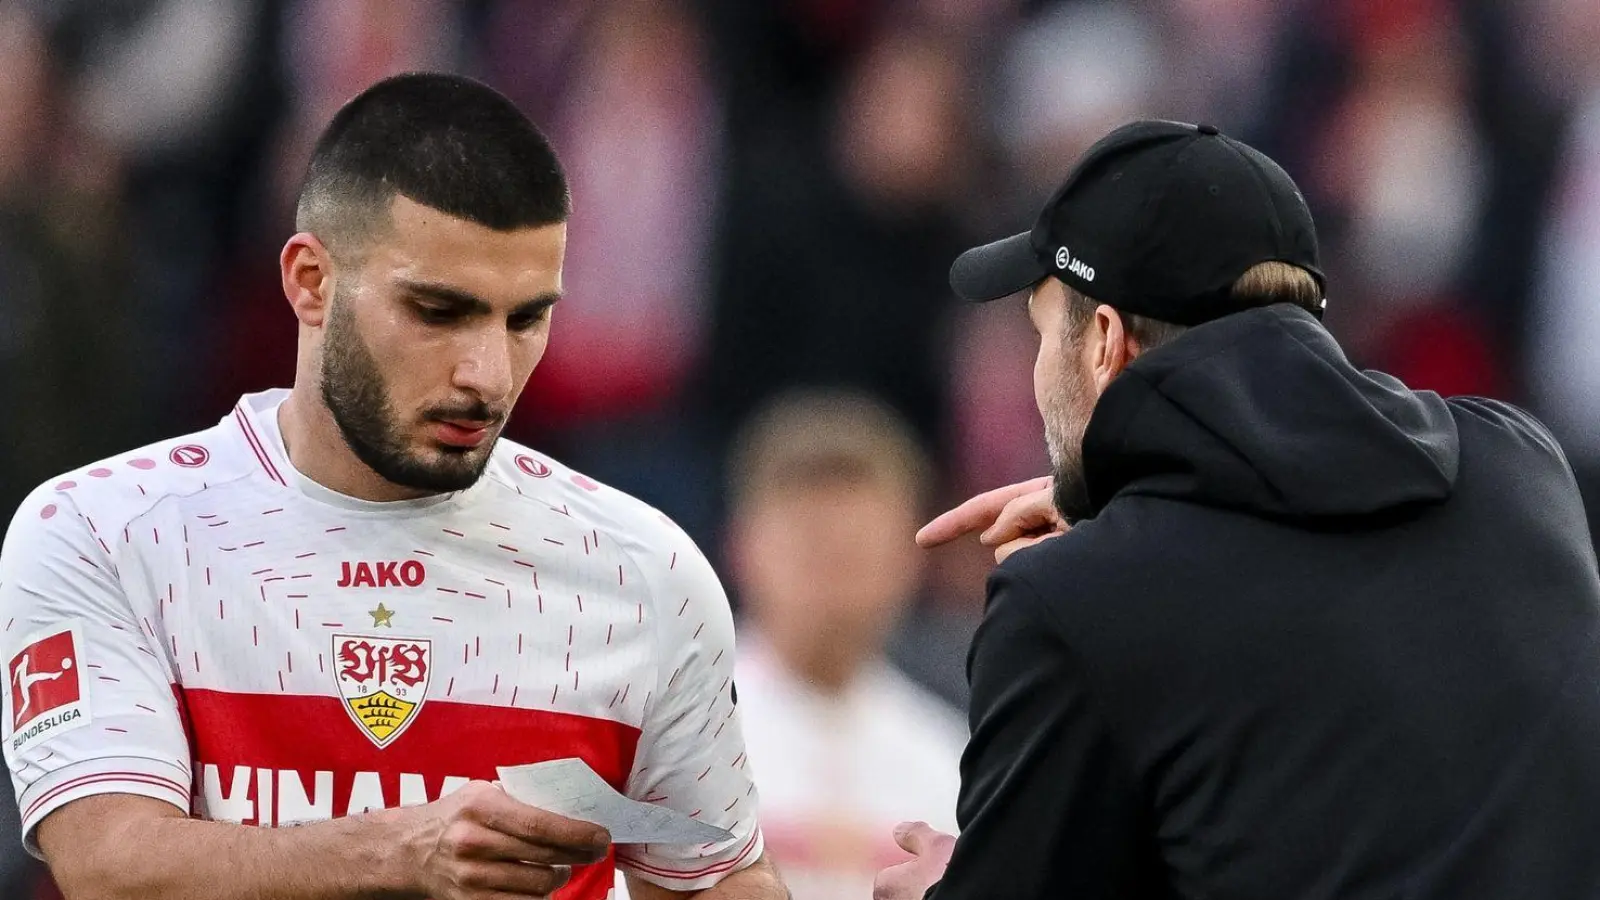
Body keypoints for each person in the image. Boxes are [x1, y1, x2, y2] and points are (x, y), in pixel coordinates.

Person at [0, 73, 785, 900]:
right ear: (310, 281)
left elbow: (713, 880)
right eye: (440, 312)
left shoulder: (642, 570)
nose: (487, 375)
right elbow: (110, 865)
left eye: (525, 319)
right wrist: (400, 852)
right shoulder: (106, 530)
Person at [874, 120, 1600, 899]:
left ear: (1104, 342)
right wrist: (1129, 512)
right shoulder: (1523, 466)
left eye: (1043, 331)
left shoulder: (1071, 605)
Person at [722, 389, 965, 900]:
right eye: (811, 547)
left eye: (855, 550)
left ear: (911, 557)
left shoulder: (947, 762)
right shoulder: (674, 741)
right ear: (742, 547)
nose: (832, 577)